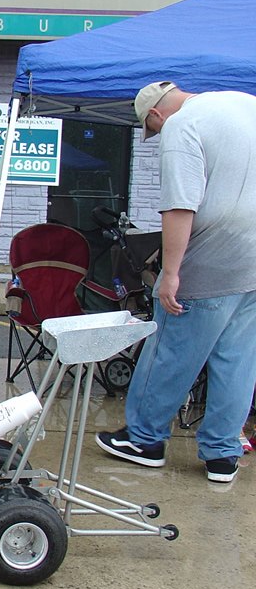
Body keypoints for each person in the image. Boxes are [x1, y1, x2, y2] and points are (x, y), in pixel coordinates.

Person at [95, 81, 256, 483]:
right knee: (237, 359)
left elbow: (180, 204)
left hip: (213, 258)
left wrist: (169, 273)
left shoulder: (183, 125)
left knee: (170, 348)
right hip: (253, 262)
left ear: (155, 116)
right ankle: (222, 454)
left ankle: (144, 438)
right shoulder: (245, 104)